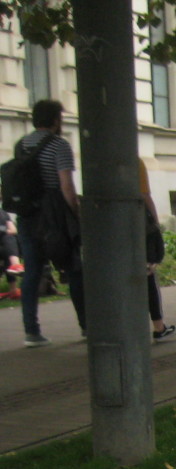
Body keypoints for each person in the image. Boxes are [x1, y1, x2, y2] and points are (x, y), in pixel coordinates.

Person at [16, 99, 84, 347]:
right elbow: (66, 185)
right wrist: (75, 212)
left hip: (27, 215)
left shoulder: (21, 145)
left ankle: (31, 331)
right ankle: (86, 326)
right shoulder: (59, 146)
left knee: (32, 272)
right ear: (56, 120)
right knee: (73, 267)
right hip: (54, 216)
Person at [139, 160, 173, 341]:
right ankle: (158, 326)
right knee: (147, 274)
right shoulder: (134, 162)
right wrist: (155, 223)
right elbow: (145, 194)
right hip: (138, 225)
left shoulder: (98, 160)